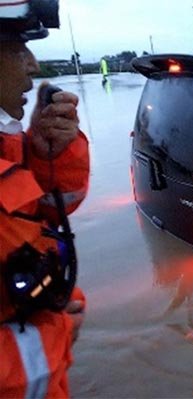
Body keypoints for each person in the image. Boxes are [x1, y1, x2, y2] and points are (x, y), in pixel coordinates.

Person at [0, 0, 90, 397]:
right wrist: (58, 329)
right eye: (18, 47)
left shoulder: (10, 147)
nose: (33, 65)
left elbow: (52, 211)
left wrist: (43, 154)